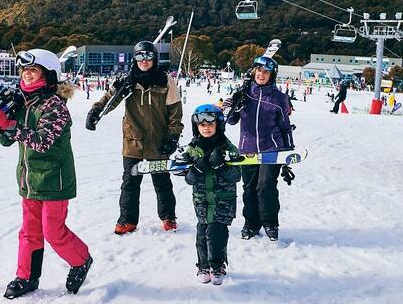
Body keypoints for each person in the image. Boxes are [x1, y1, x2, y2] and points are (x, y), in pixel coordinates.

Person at [0, 49, 92, 299]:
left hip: (54, 181)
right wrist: (2, 123)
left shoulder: (55, 106)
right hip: (29, 180)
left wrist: (11, 127)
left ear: (48, 74)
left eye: (33, 70)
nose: (27, 75)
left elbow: (42, 141)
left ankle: (81, 260)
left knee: (53, 231)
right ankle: (26, 277)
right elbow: (6, 141)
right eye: (24, 70)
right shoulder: (23, 102)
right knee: (29, 231)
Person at [85, 41, 184, 235]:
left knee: (162, 181)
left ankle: (168, 217)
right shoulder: (127, 81)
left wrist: (173, 136)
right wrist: (95, 111)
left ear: (154, 59)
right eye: (140, 57)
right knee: (130, 182)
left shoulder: (165, 81)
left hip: (158, 140)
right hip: (133, 140)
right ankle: (127, 220)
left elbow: (175, 112)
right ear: (134, 59)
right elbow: (110, 99)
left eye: (148, 57)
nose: (144, 61)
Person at [225, 56, 294, 241]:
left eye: (266, 72)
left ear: (272, 75)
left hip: (271, 149)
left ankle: (270, 224)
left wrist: (287, 153)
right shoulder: (243, 93)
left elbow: (285, 126)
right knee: (249, 189)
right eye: (259, 70)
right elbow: (230, 121)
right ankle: (251, 224)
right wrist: (230, 106)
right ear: (254, 71)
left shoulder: (279, 98)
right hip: (247, 149)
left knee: (266, 187)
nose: (261, 75)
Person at [179, 104, 242, 285]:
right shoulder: (192, 150)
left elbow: (236, 176)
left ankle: (217, 265)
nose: (206, 128)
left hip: (224, 198)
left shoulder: (228, 147)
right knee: (202, 230)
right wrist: (197, 169)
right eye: (201, 125)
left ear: (218, 125)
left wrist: (220, 166)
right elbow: (189, 179)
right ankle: (203, 266)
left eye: (210, 124)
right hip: (202, 198)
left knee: (216, 230)